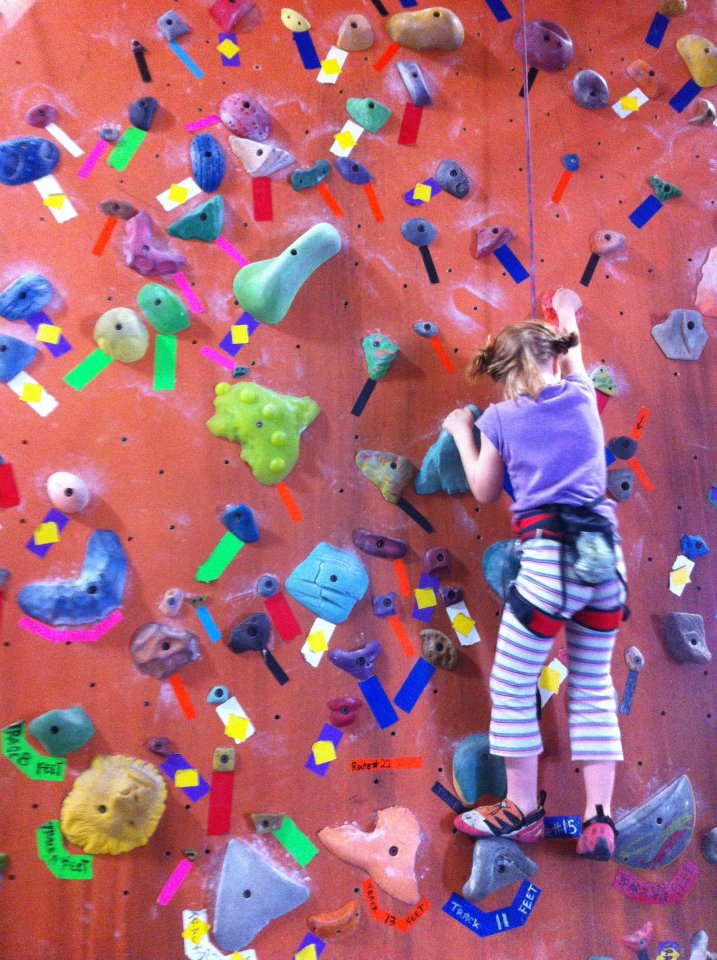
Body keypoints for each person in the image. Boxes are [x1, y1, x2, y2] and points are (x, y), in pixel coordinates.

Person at [441, 288, 627, 861]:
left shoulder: (498, 417)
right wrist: (566, 312)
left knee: (512, 685)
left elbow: (483, 488)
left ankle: (520, 809)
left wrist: (460, 433)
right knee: (593, 686)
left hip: (550, 558)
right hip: (605, 557)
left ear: (500, 374)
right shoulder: (579, 395)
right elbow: (573, 352)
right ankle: (600, 817)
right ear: (554, 360)